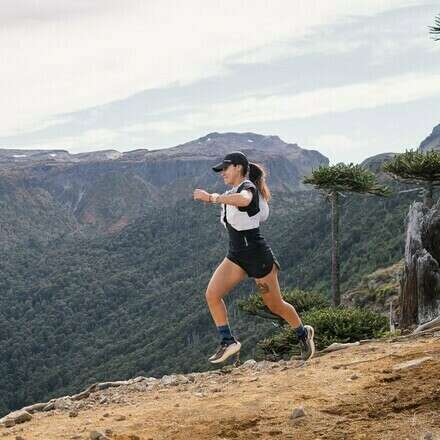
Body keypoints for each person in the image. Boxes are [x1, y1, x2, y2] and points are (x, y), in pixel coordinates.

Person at [193, 151, 315, 364]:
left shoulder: (247, 188)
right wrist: (219, 199)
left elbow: (244, 200)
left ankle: (303, 334)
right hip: (236, 256)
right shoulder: (232, 191)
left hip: (258, 257)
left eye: (225, 168)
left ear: (238, 167)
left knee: (275, 305)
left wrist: (211, 197)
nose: (222, 173)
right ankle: (228, 341)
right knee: (212, 295)